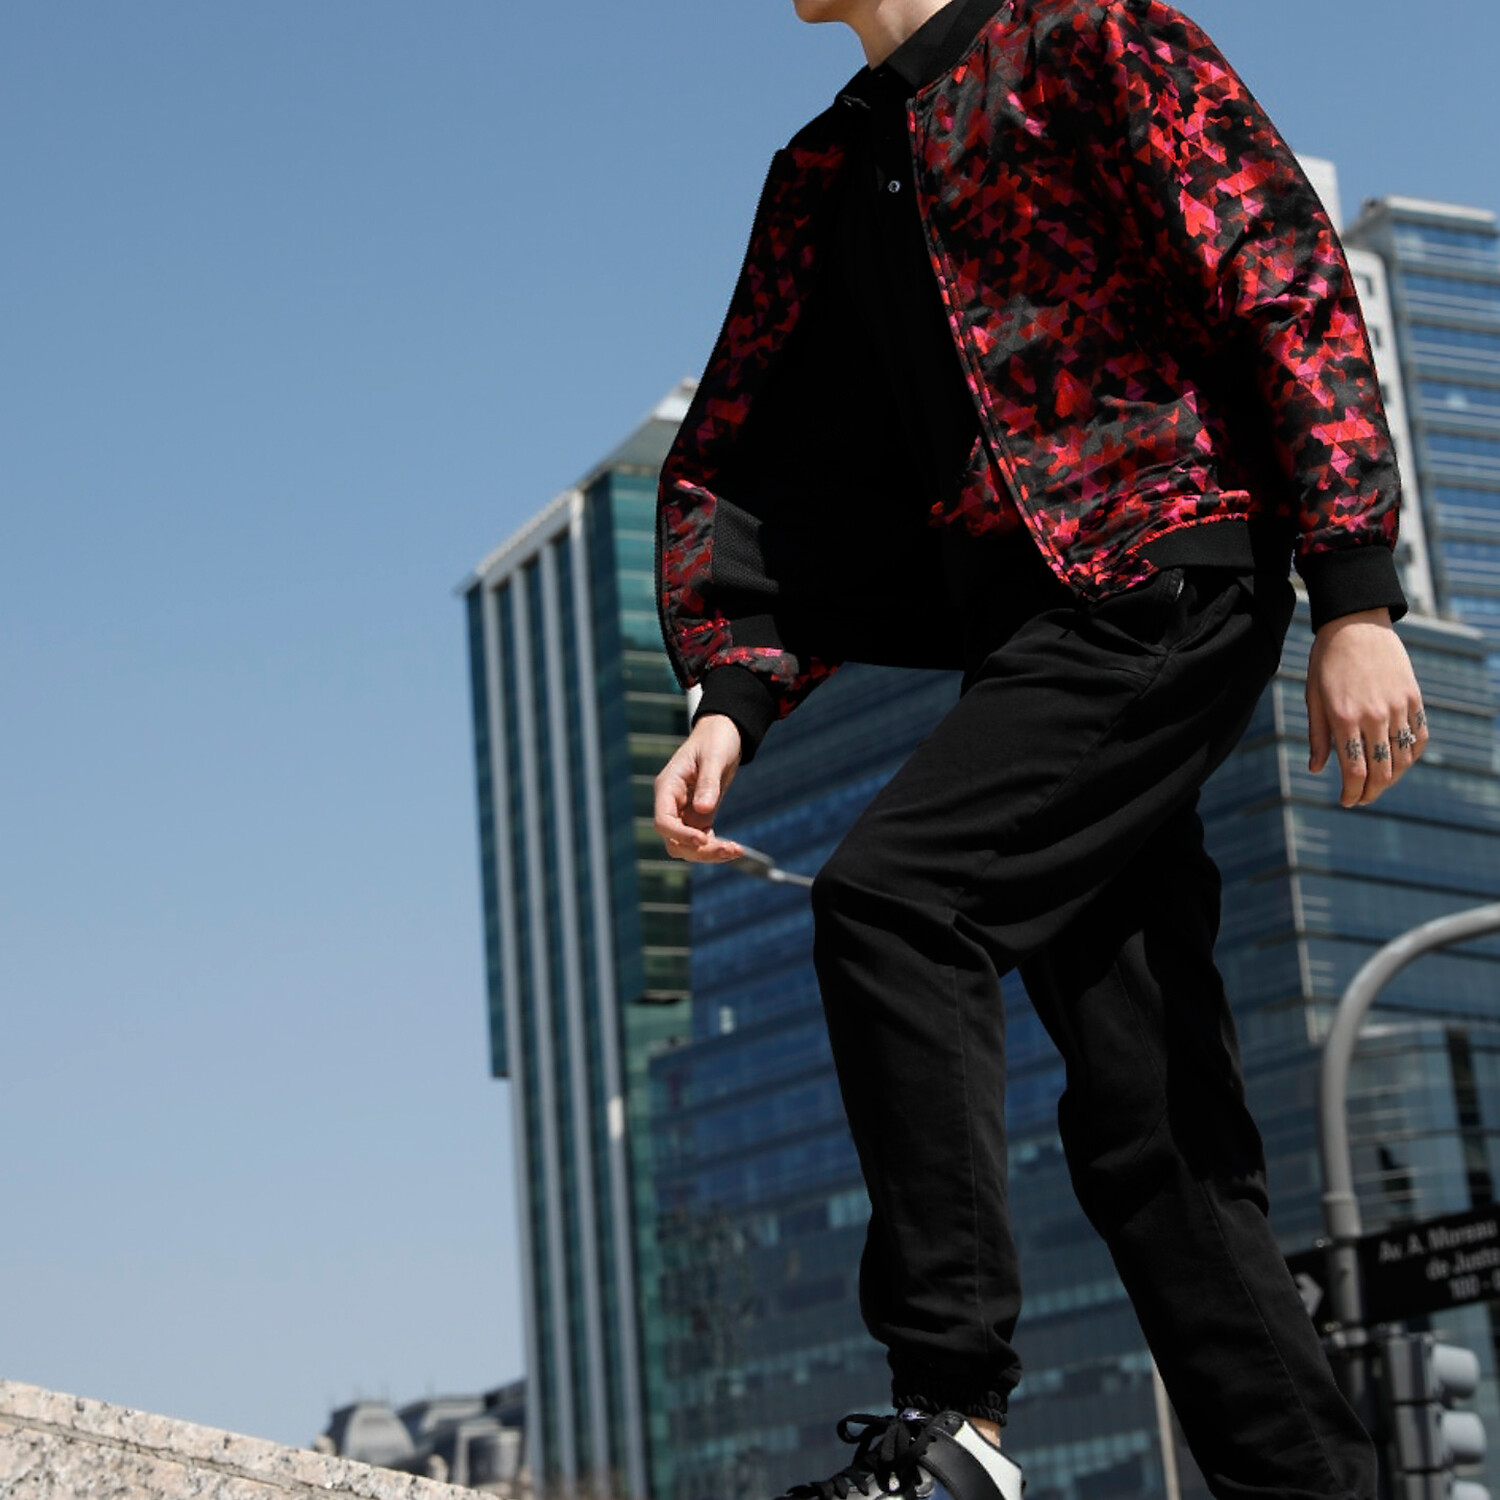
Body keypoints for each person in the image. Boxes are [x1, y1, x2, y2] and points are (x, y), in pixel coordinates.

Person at [653, 1, 1426, 1497]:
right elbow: (768, 447)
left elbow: (1277, 267)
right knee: (1153, 1116)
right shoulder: (827, 169)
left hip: (1164, 570)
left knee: (896, 899)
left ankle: (953, 1421)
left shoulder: (1088, 34)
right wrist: (735, 696)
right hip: (1023, 633)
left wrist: (1354, 594)